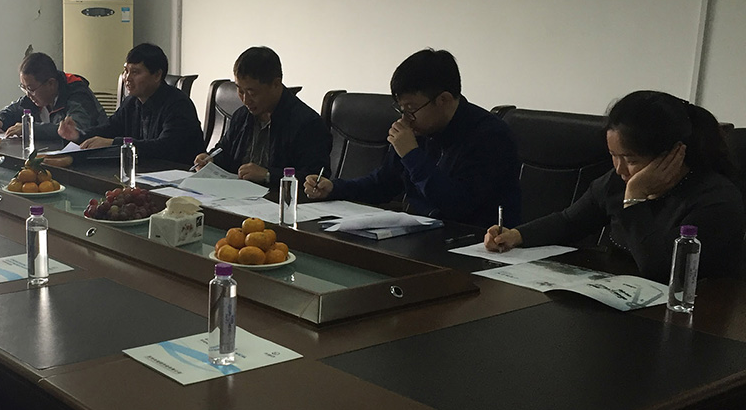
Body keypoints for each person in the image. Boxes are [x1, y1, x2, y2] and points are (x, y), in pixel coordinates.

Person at [485, 90, 745, 281]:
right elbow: (570, 222)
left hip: (695, 317)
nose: (620, 170)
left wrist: (635, 199)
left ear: (673, 154)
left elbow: (661, 269)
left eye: (631, 160)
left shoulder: (716, 200)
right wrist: (516, 235)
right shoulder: (617, 181)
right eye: (614, 156)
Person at [303, 48, 521, 227]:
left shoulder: (491, 136)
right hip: (423, 233)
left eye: (411, 108)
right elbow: (383, 184)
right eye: (401, 109)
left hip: (475, 242)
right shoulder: (420, 128)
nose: (405, 118)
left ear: (443, 100)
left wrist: (411, 155)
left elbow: (457, 206)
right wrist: (334, 188)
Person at [192, 46, 330, 185]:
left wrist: (268, 175)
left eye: (252, 93)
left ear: (276, 84)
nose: (245, 100)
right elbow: (224, 151)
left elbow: (316, 179)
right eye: (240, 91)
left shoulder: (308, 124)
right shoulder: (242, 116)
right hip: (236, 193)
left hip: (276, 197)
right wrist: (210, 159)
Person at [57, 43, 204, 165]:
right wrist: (79, 135)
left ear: (157, 75)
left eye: (135, 72)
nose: (127, 78)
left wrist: (113, 143)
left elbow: (164, 147)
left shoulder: (178, 104)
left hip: (179, 177)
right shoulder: (132, 102)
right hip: (144, 172)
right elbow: (110, 128)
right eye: (126, 71)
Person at [0, 52, 107, 146]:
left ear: (51, 84)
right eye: (24, 88)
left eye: (30, 89)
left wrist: (30, 129)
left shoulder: (78, 94)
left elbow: (74, 129)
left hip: (91, 157)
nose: (28, 94)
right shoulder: (35, 95)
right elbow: (14, 110)